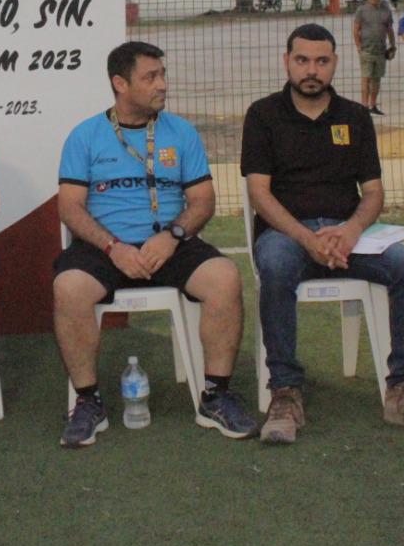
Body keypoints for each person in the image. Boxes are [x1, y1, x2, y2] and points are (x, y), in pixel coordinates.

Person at [244, 24, 404, 443]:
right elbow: (259, 194)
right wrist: (307, 238)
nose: (311, 70)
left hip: (350, 235)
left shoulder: (355, 117)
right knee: (276, 266)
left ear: (335, 63)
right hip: (288, 234)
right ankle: (285, 393)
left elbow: (373, 192)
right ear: (287, 62)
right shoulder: (263, 115)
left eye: (322, 61)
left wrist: (353, 231)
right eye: (302, 60)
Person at [54, 40, 257, 446]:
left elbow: (203, 201)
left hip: (171, 243)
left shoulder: (181, 132)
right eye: (150, 77)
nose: (162, 84)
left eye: (162, 74)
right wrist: (113, 247)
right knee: (69, 288)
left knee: (224, 278)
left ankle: (215, 396)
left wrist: (173, 236)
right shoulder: (85, 135)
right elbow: (71, 209)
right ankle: (88, 402)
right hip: (105, 248)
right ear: (120, 83)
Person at [351, 0, 395, 115]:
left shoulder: (386, 10)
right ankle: (364, 106)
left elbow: (389, 29)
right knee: (366, 77)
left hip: (381, 50)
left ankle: (373, 105)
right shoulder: (362, 10)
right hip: (366, 50)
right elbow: (356, 29)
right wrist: (358, 47)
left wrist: (393, 45)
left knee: (377, 79)